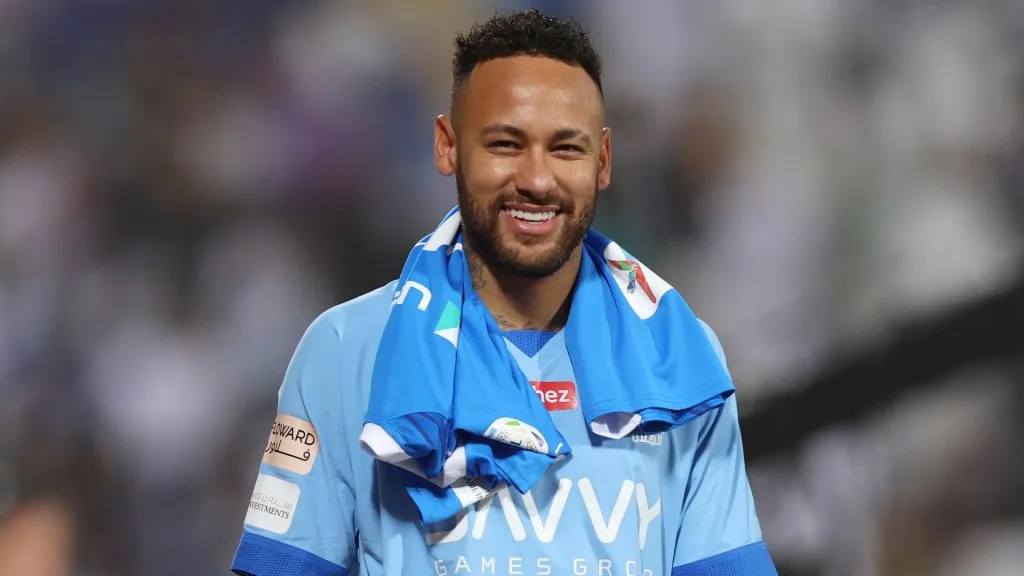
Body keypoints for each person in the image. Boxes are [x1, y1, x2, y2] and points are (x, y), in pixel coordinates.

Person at [230, 8, 777, 576]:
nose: (537, 180)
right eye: (505, 144)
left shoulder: (683, 360)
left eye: (566, 148)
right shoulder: (346, 350)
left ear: (604, 161)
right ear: (448, 146)